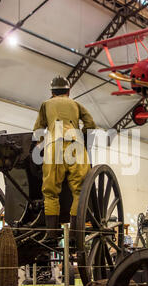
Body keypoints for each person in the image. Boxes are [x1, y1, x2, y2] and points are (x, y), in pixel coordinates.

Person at [33, 76, 96, 243]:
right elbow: (90, 124)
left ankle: (52, 234)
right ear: (69, 91)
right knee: (79, 191)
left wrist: (40, 144)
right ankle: (75, 235)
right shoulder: (76, 104)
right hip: (76, 145)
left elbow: (38, 129)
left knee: (50, 192)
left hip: (53, 146)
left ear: (52, 92)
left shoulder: (46, 104)